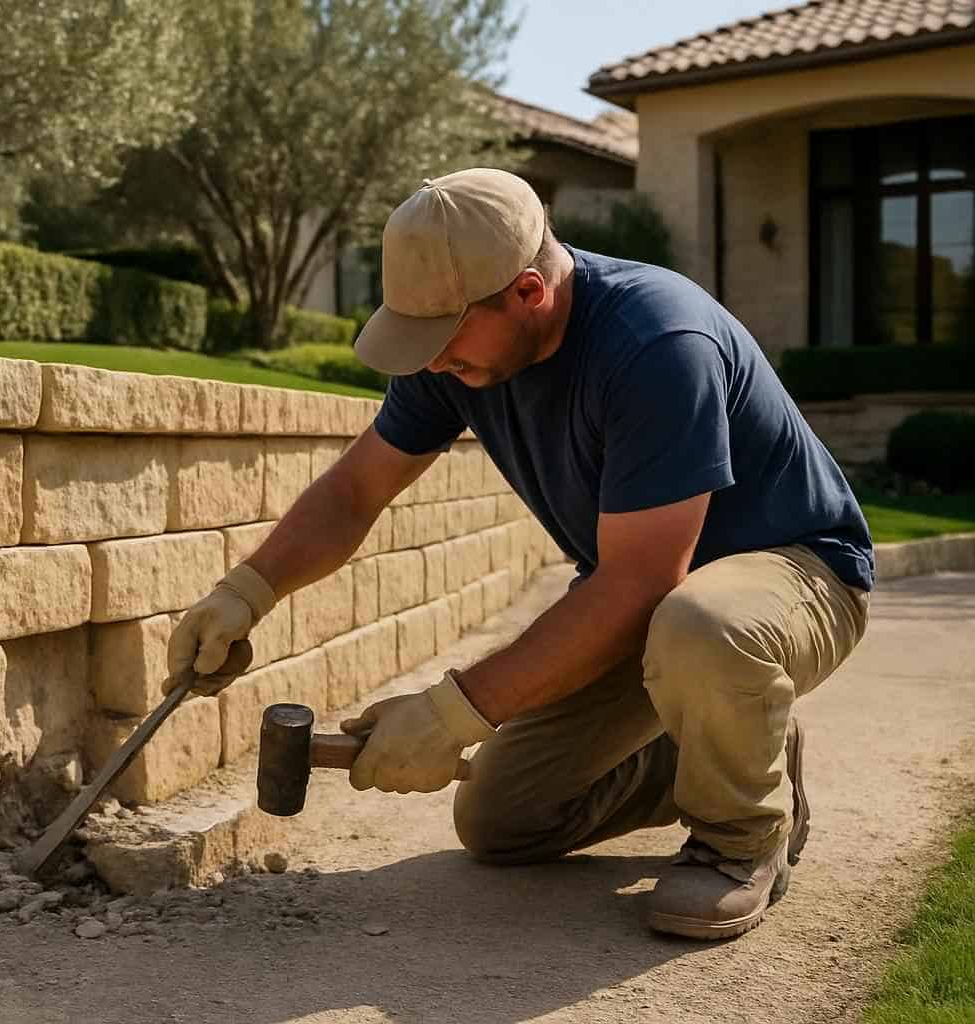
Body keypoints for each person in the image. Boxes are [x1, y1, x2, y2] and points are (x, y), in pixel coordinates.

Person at [165, 168, 873, 941]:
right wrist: (245, 591)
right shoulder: (459, 354)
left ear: (530, 291)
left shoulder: (657, 342)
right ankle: (735, 741)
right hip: (654, 603)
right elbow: (357, 489)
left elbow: (640, 582)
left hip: (793, 576)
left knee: (700, 625)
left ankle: (741, 842)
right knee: (504, 817)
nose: (432, 361)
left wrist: (450, 712)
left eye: (444, 339)